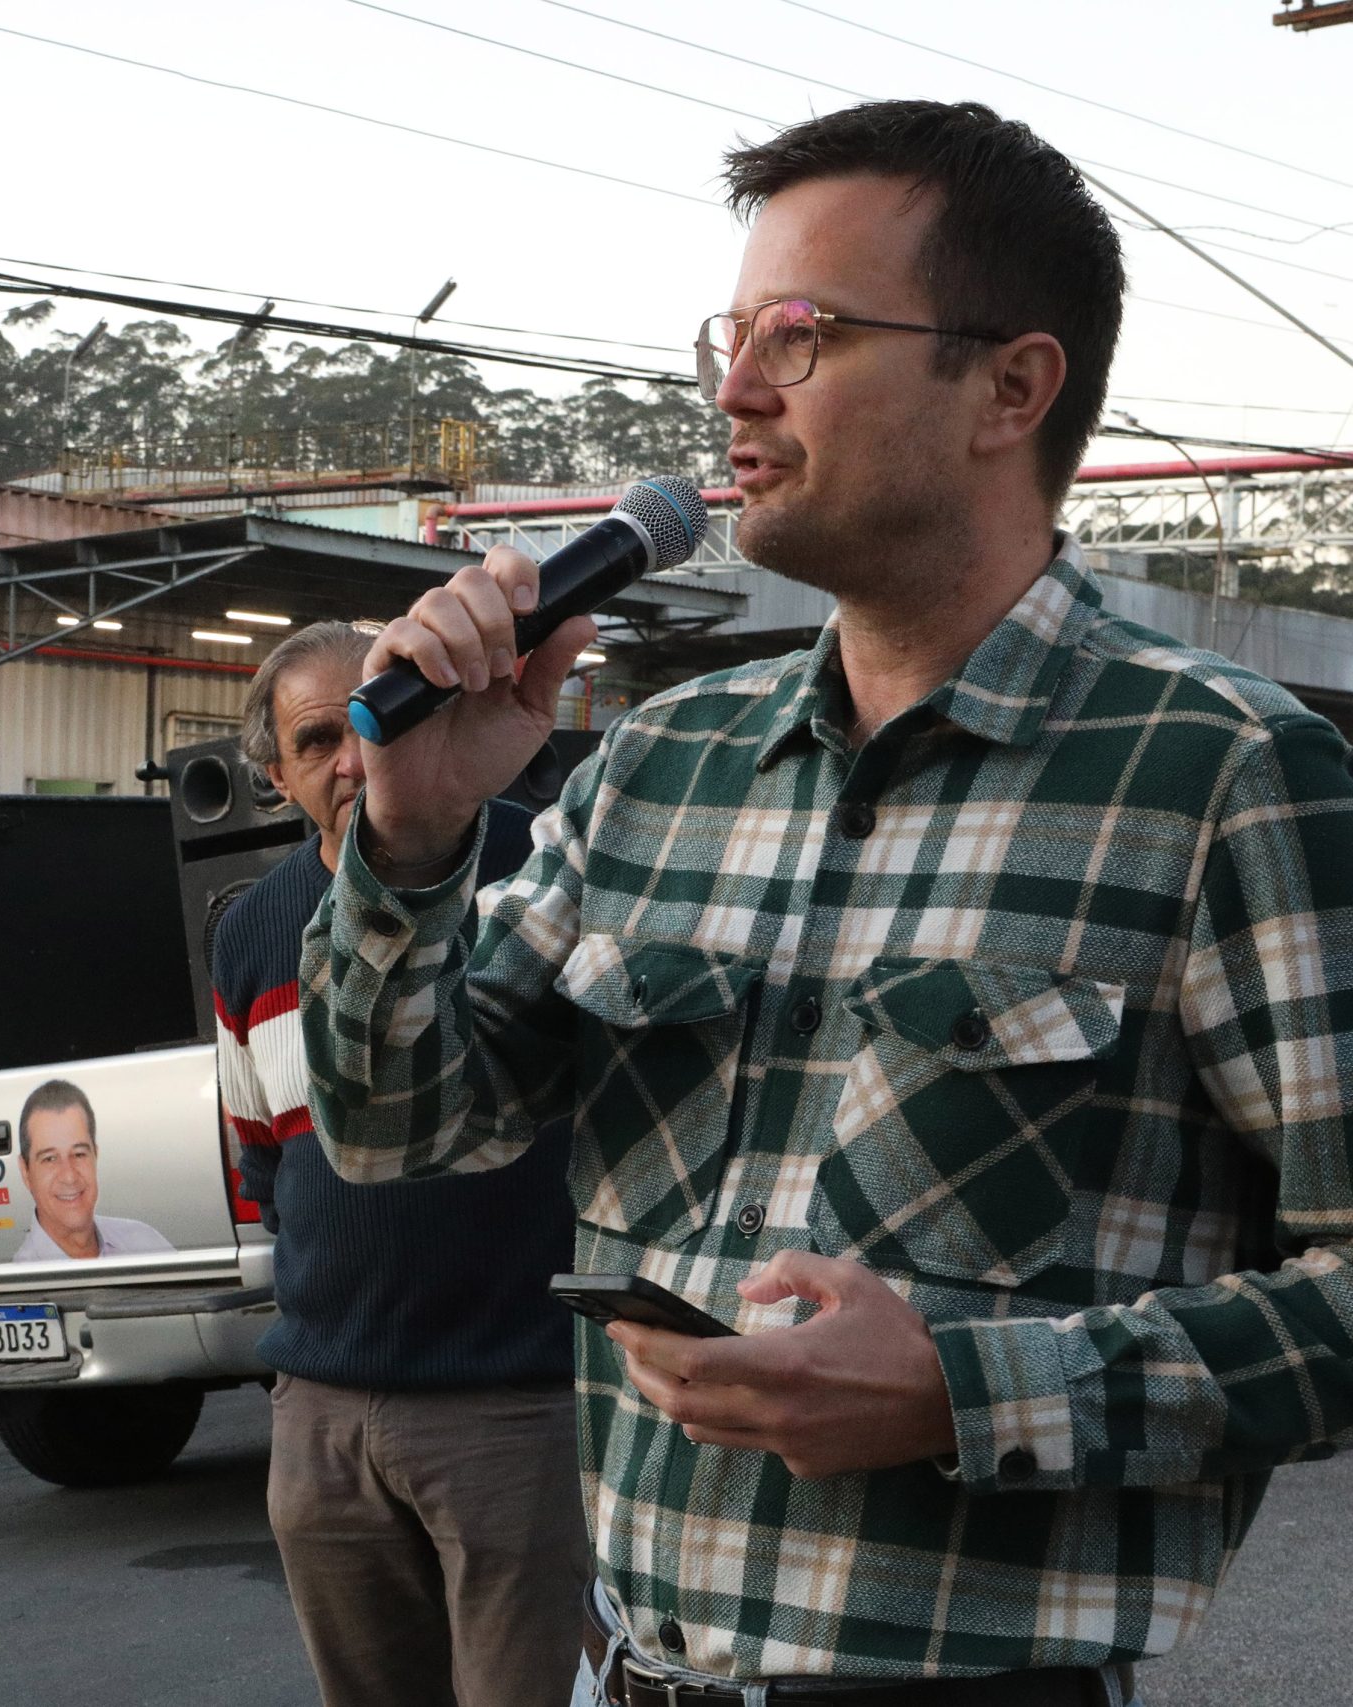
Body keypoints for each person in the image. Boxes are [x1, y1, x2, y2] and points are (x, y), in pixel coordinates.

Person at [307, 98, 1353, 1703]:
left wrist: (969, 1387)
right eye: (729, 333)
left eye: (801, 332)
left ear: (1012, 385)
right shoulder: (658, 765)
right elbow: (394, 1129)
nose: (732, 389)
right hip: (636, 1671)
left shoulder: (1227, 775)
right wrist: (418, 838)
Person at [215, 621, 585, 1707]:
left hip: (515, 1407)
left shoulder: (542, 874)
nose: (355, 758)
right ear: (275, 774)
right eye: (319, 737)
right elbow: (261, 1165)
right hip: (322, 1422)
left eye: (382, 718)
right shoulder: (248, 934)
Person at [10, 1079, 173, 1262]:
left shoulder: (145, 1243)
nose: (69, 1176)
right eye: (50, 1159)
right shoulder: (23, 1279)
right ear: (25, 1172)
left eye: (79, 1154)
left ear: (95, 1155)